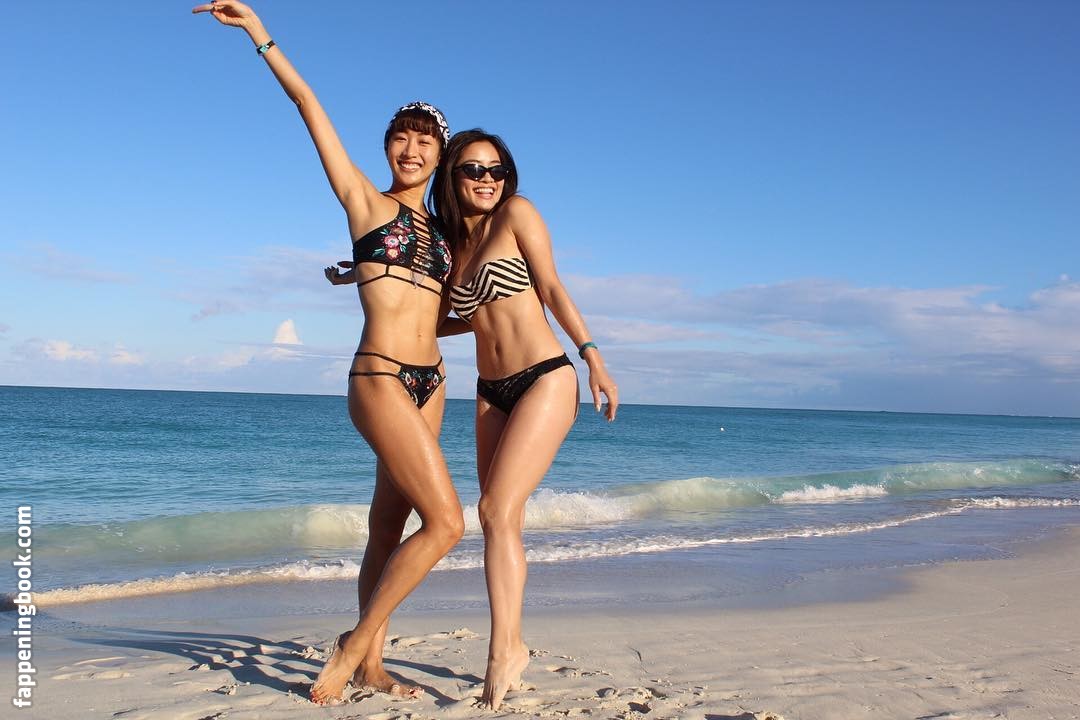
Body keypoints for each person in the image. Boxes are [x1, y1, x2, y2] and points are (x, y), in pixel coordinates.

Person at [193, 1, 464, 705]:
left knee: (388, 527)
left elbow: (443, 312)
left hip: (432, 381)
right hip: (379, 375)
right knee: (447, 523)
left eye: (425, 142)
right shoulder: (362, 200)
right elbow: (307, 103)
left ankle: (373, 663)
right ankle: (354, 643)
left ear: (440, 155)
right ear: (387, 147)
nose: (412, 150)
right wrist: (259, 33)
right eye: (401, 138)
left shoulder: (445, 234)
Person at [434, 129, 619, 710]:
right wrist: (371, 277)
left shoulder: (516, 214)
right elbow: (450, 319)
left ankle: (501, 652)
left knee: (495, 508)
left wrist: (593, 357)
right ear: (452, 177)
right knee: (498, 521)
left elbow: (551, 287)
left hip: (545, 376)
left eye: (496, 169)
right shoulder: (453, 248)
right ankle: (513, 642)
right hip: (490, 390)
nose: (487, 179)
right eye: (473, 170)